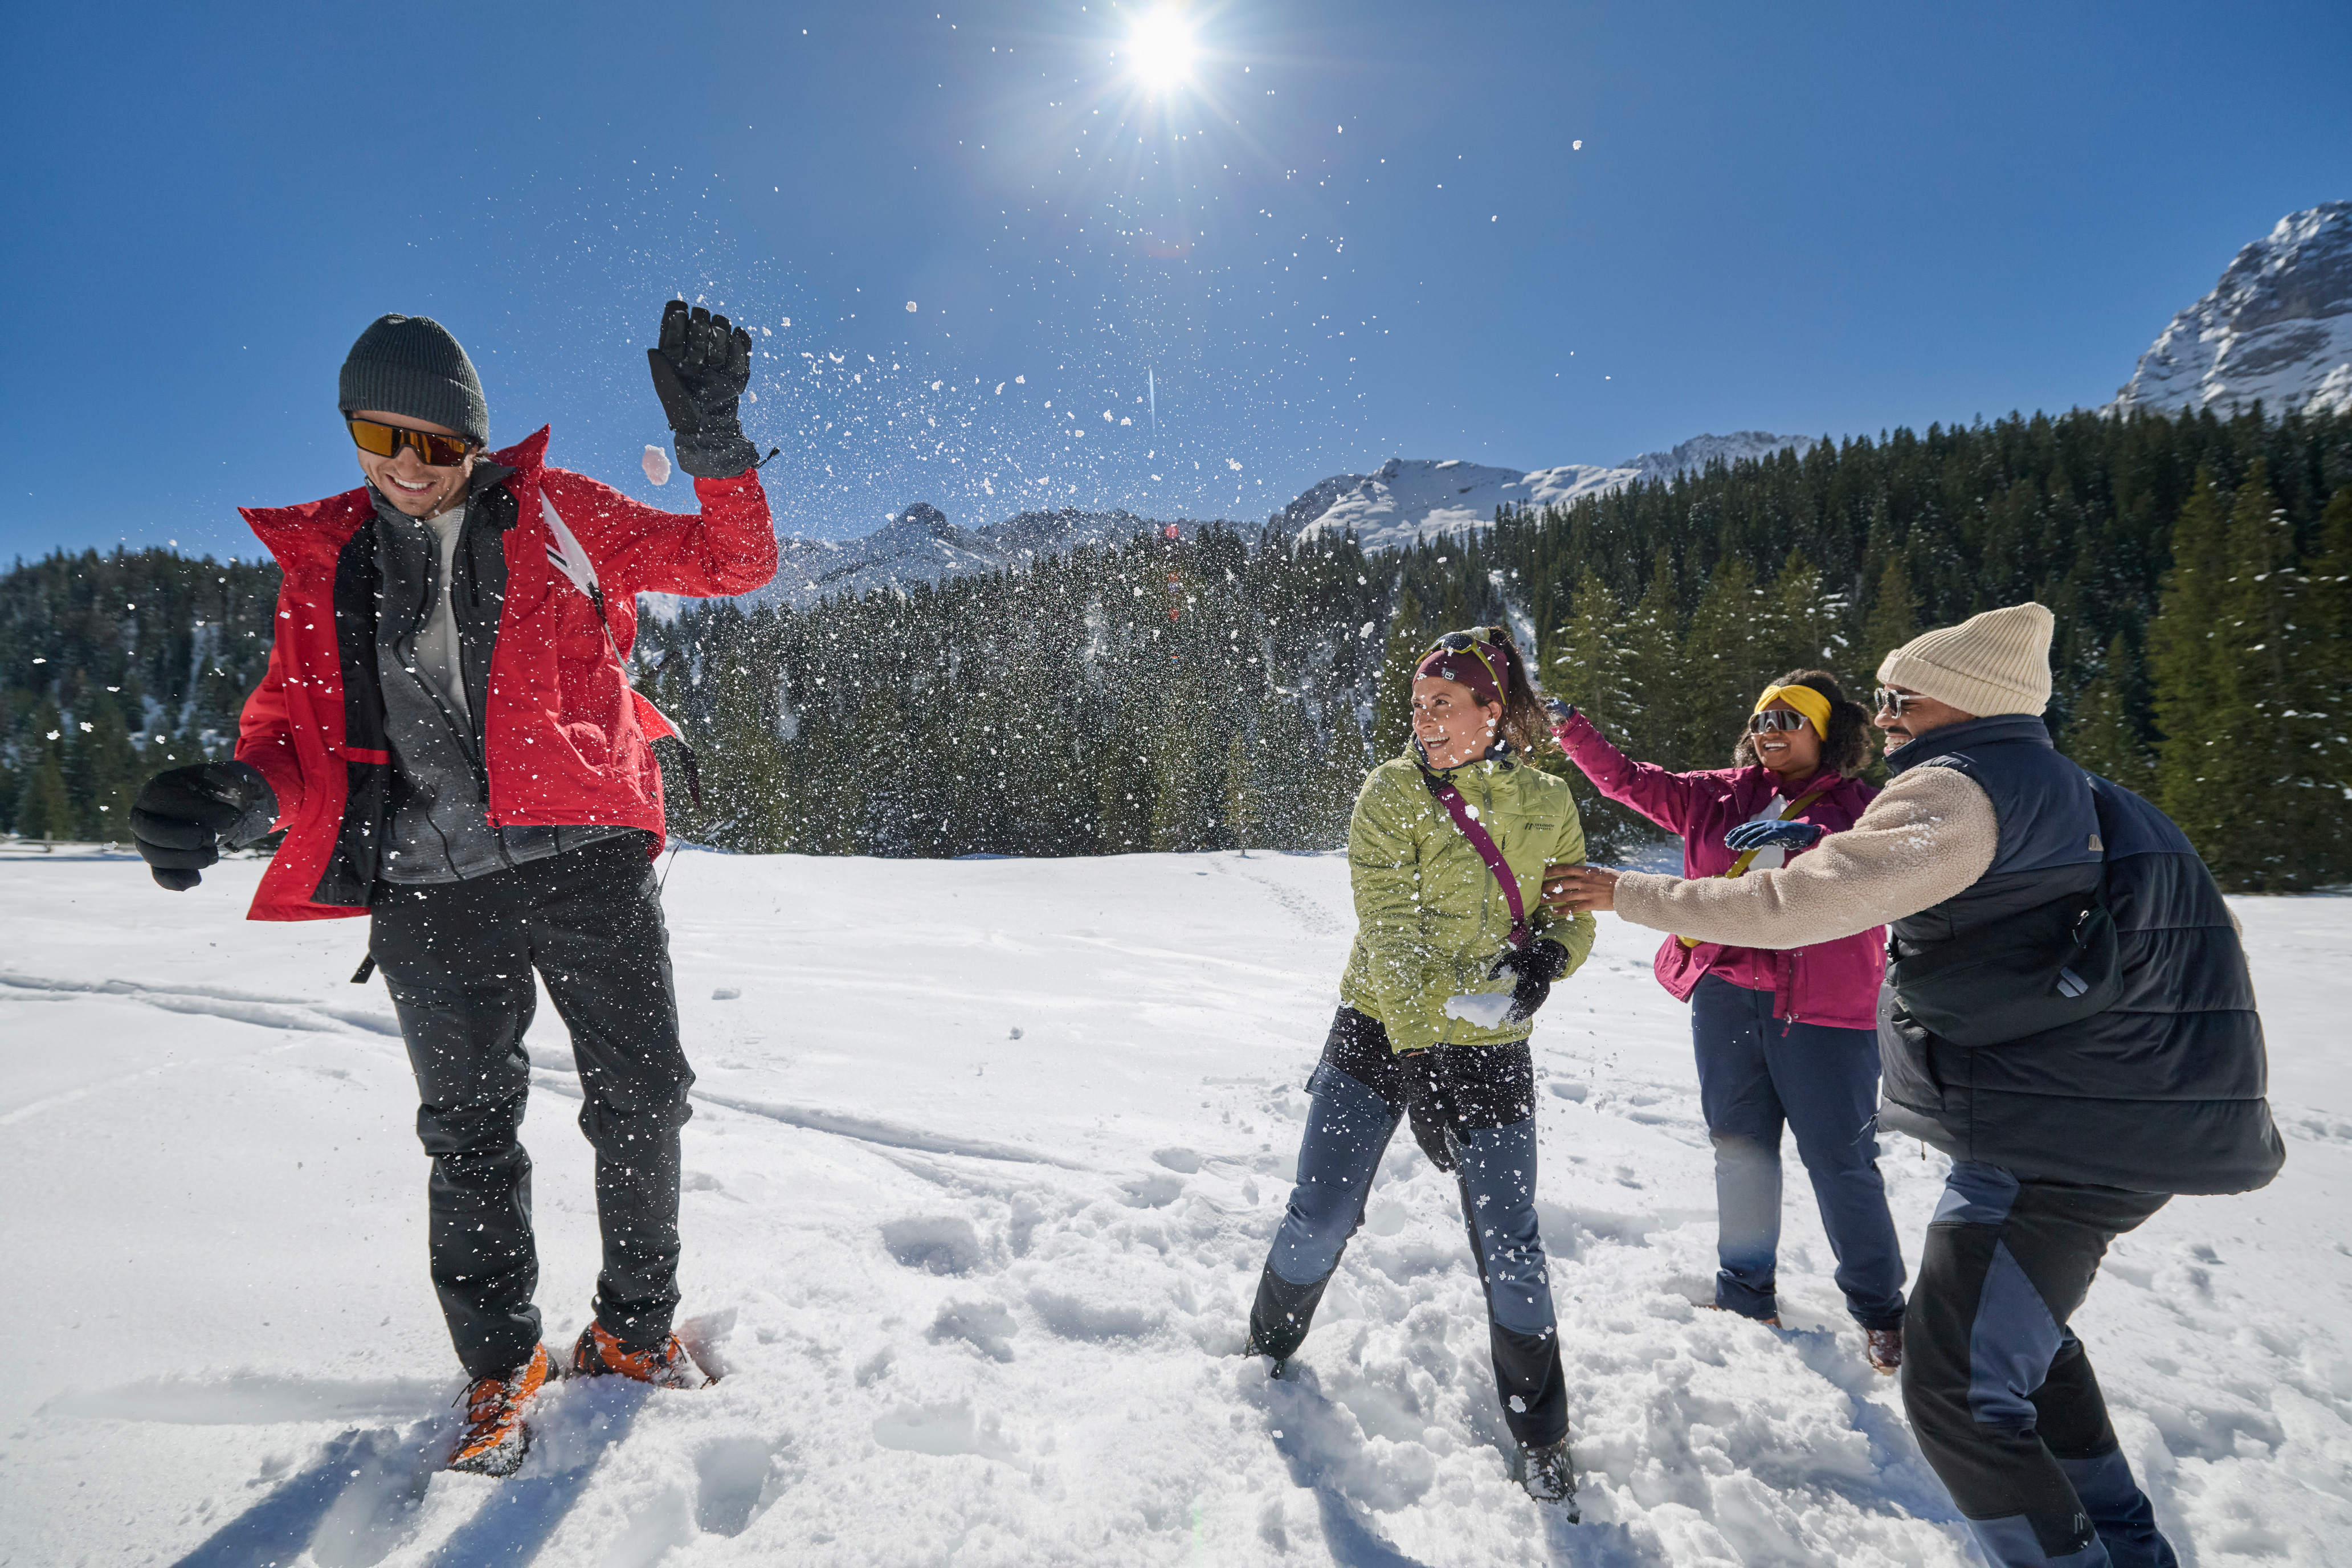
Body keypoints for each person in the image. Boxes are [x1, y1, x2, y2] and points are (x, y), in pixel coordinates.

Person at [126, 303, 779, 1477]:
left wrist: (716, 444)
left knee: (644, 1096)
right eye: (380, 436)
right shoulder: (329, 564)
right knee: (469, 1133)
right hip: (427, 887)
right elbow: (294, 739)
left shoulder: (562, 511)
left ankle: (633, 1334)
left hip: (584, 855)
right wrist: (238, 794)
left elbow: (734, 564)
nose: (407, 465)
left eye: (434, 441)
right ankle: (501, 1363)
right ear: (353, 432)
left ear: (473, 438)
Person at [1545, 602, 2282, 1568]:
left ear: (1971, 702)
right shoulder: (2083, 792)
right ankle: (2128, 1548)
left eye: (1905, 699)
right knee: (2015, 1349)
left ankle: (1889, 1323)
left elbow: (1799, 900)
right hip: (2089, 1113)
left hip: (2054, 1133)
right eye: (1882, 697)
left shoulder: (1956, 791)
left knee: (1956, 1385)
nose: (1887, 714)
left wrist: (1627, 892)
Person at [1243, 626, 1597, 1510]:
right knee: (1321, 1214)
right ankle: (1265, 1351)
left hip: (1491, 1044)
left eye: (1443, 703)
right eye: (1416, 704)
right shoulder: (1391, 793)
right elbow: (1392, 939)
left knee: (1510, 1243)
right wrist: (1421, 1062)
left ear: (1492, 709)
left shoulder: (1548, 800)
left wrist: (1552, 958)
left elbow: (1572, 908)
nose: (1423, 719)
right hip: (1379, 1029)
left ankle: (1543, 1437)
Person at [1550, 671, 1906, 1370]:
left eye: (1789, 719)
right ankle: (1746, 1293)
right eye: (1762, 718)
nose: (1770, 730)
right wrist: (1571, 728)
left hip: (1826, 1008)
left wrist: (1815, 836)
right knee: (1740, 1147)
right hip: (1728, 996)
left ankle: (1880, 1309)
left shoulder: (1862, 807)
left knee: (1841, 1160)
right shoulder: (1717, 794)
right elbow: (1628, 780)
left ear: (1826, 730)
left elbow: (1884, 862)